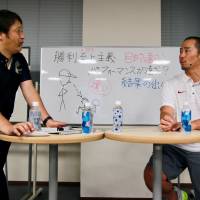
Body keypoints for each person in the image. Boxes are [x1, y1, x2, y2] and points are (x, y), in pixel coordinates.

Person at [0, 10, 66, 199]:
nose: (23, 36)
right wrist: (7, 126)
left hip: (3, 129)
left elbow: (30, 91)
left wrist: (47, 119)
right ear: (1, 35)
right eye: (18, 31)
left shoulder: (19, 60)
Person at [144, 36, 200, 200]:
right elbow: (166, 110)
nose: (181, 55)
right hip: (177, 146)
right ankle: (181, 196)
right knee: (152, 176)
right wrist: (167, 119)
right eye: (180, 51)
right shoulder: (172, 83)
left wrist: (194, 124)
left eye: (187, 51)